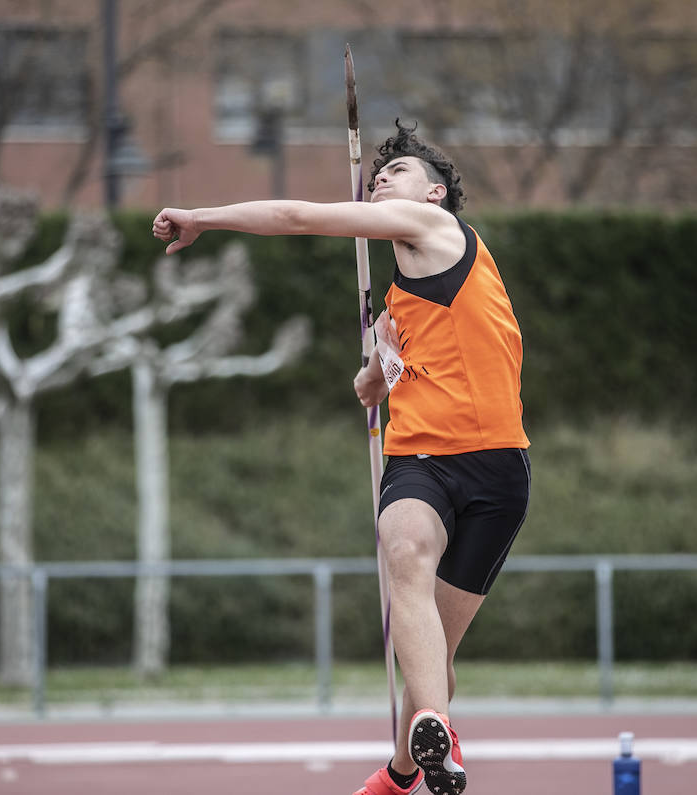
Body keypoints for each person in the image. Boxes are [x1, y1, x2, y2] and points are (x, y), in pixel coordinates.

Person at [152, 120, 530, 795]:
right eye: (378, 174)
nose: (382, 178)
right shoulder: (399, 300)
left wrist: (202, 217)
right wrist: (376, 370)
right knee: (405, 551)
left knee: (436, 653)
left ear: (435, 194)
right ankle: (437, 727)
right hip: (419, 459)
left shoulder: (438, 231)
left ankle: (400, 773)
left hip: (497, 467)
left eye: (400, 172)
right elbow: (377, 385)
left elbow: (298, 214)